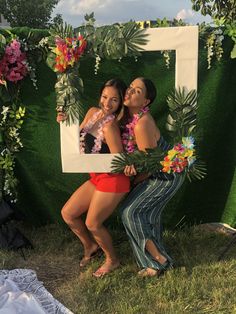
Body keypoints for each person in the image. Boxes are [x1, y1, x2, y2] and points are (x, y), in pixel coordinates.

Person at [57, 78, 130, 277]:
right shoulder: (91, 113)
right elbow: (77, 139)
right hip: (97, 177)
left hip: (113, 179)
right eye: (105, 97)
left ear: (122, 102)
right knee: (68, 213)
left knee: (93, 223)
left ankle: (112, 260)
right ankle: (90, 246)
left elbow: (119, 163)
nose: (107, 103)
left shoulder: (111, 127)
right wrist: (64, 122)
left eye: (114, 100)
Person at [120, 77, 185, 277]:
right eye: (130, 87)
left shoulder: (141, 124)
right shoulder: (128, 117)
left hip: (166, 174)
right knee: (148, 215)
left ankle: (158, 260)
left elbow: (152, 164)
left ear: (146, 102)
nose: (130, 91)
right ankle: (156, 263)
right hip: (157, 172)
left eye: (137, 91)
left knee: (130, 213)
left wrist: (134, 181)